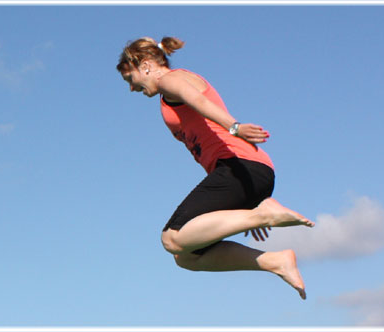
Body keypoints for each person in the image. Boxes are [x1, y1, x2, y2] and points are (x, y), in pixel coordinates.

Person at [116, 36, 315, 300]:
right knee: (185, 256)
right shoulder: (166, 94)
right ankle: (275, 261)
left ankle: (264, 215)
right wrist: (245, 204)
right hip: (242, 174)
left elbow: (197, 100)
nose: (132, 88)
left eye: (131, 79)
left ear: (146, 65)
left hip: (240, 165)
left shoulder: (170, 81)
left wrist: (234, 126)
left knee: (171, 238)